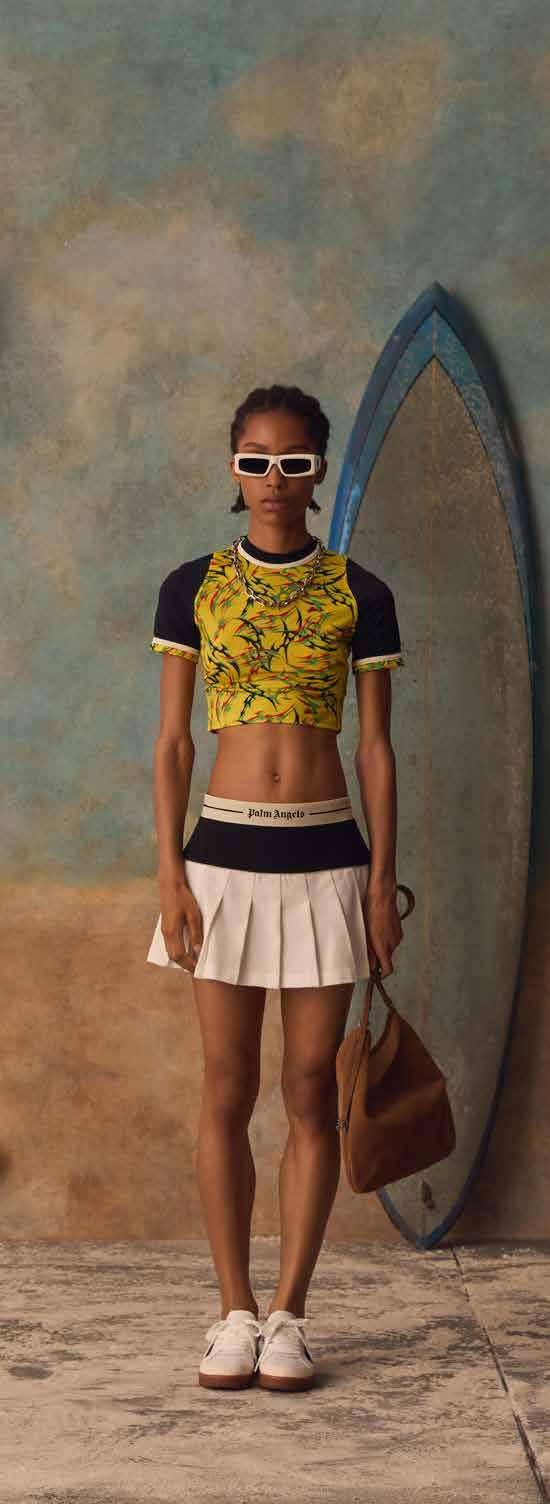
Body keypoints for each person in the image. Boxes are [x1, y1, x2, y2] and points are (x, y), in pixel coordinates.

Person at [147, 382, 405, 1392]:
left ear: (318, 470)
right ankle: (232, 1312)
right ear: (233, 466)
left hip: (327, 856)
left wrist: (381, 882)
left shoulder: (359, 592)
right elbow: (174, 743)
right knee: (226, 1085)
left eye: (294, 462)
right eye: (255, 460)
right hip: (221, 860)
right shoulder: (192, 586)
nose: (273, 480)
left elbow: (375, 750)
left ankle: (291, 1313)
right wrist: (169, 870)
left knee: (309, 1090)